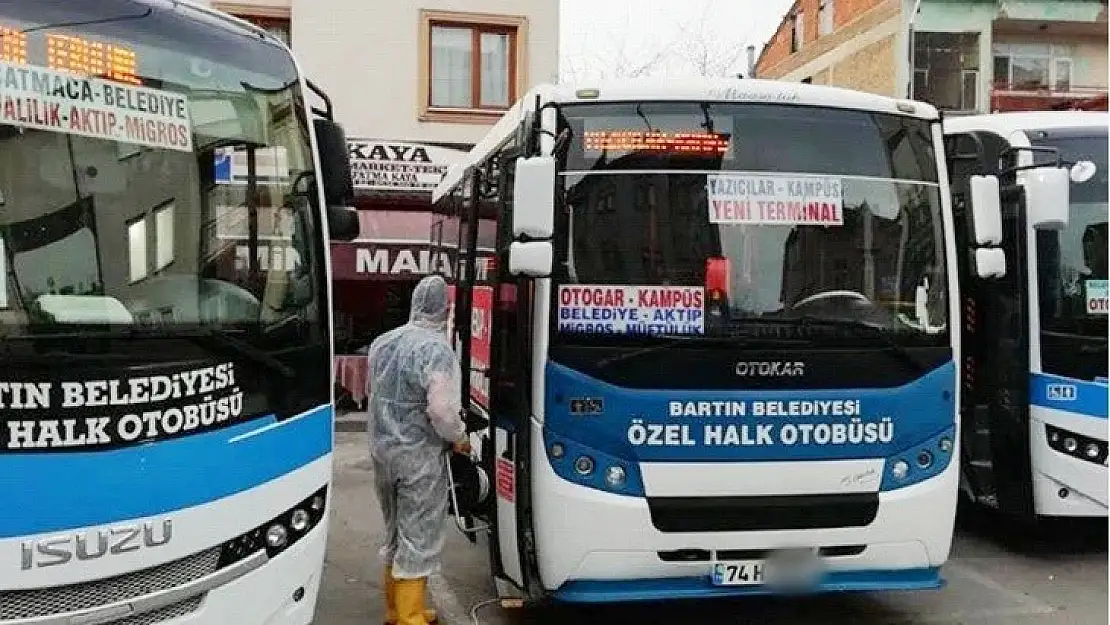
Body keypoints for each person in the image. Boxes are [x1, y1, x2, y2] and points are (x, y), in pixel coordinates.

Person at [365, 275, 470, 625]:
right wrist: (458, 436)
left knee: (395, 532)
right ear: (445, 308)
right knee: (418, 537)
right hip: (418, 460)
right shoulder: (435, 350)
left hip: (383, 455)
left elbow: (374, 397)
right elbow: (441, 410)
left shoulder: (383, 342)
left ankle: (396, 611)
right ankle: (411, 617)